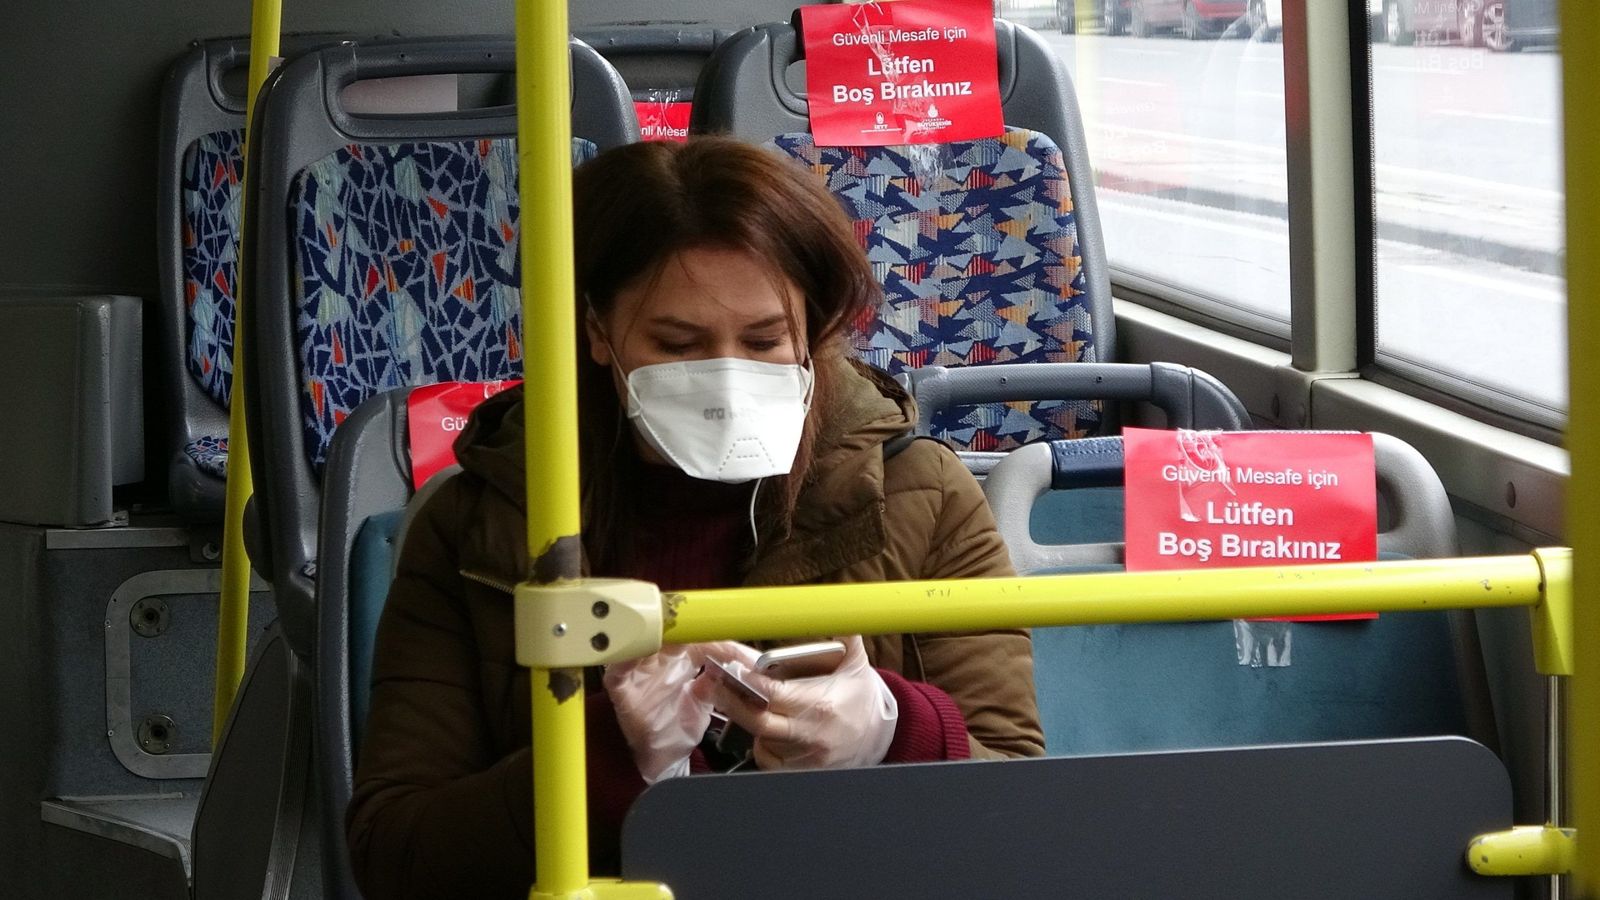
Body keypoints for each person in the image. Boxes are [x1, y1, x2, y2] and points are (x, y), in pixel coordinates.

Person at [346, 136, 1044, 900]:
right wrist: (603, 759)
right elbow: (393, 857)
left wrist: (890, 733)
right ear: (598, 332)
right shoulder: (484, 526)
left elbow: (1021, 815)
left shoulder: (922, 495)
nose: (727, 378)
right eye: (678, 344)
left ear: (810, 330)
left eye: (764, 340)